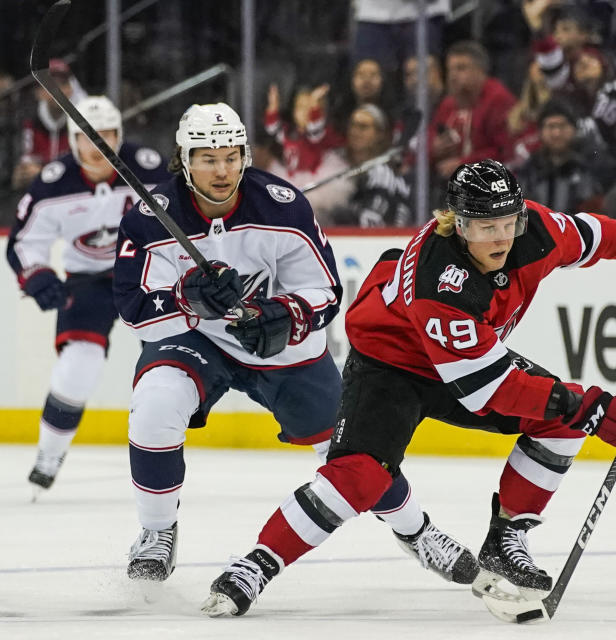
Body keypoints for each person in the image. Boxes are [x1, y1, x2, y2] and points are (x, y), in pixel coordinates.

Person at [199, 158, 616, 617]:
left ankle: (507, 539)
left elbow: (594, 234)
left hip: (469, 356)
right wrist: (588, 407)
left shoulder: (535, 230)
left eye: (508, 222)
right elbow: (487, 391)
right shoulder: (439, 281)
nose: (500, 237)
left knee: (561, 416)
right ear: (454, 223)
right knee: (359, 476)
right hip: (394, 362)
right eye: (484, 226)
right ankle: (256, 564)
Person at [113, 102, 477, 585]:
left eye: (231, 156)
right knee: (155, 404)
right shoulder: (150, 215)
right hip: (196, 337)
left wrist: (284, 315)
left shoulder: (281, 205)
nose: (222, 170)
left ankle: (417, 532)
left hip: (281, 349)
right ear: (184, 159)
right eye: (207, 158)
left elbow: (325, 292)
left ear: (245, 155)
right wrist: (188, 297)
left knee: (351, 453)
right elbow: (136, 308)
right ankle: (157, 533)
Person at [5, 96, 169, 497]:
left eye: (106, 136)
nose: (97, 146)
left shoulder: (148, 169)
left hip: (147, 275)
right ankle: (49, 454)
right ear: (72, 140)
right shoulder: (53, 181)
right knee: (80, 362)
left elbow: (183, 216)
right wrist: (37, 274)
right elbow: (25, 241)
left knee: (179, 358)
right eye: (87, 138)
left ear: (119, 135)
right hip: (88, 280)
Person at [429, 41, 516, 179]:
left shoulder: (498, 100)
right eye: (450, 69)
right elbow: (430, 139)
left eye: (461, 68)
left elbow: (505, 152)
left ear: (480, 71)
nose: (452, 76)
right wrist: (434, 148)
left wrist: (464, 165)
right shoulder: (448, 104)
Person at [12, 59, 87, 190]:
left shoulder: (81, 123)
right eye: (50, 84)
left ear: (71, 89)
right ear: (39, 92)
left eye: (63, 84)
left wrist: (42, 173)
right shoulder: (29, 120)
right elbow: (22, 175)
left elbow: (87, 173)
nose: (57, 90)